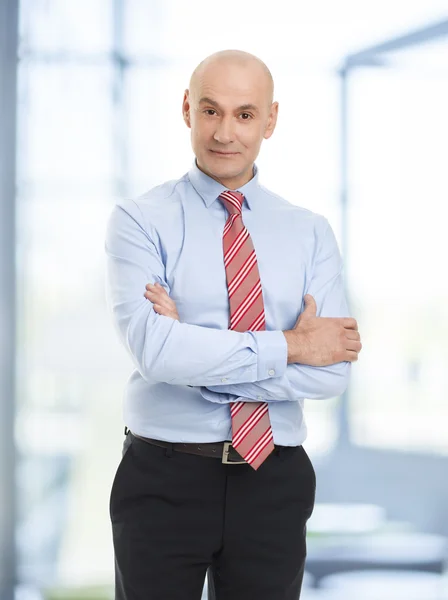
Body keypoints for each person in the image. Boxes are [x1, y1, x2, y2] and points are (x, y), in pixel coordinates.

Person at [104, 49, 362, 600]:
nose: (225, 132)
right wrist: (293, 345)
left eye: (245, 114)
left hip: (274, 480)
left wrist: (194, 359)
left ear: (270, 120)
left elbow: (331, 374)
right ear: (186, 110)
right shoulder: (140, 220)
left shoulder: (310, 232)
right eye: (211, 110)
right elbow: (155, 352)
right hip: (163, 478)